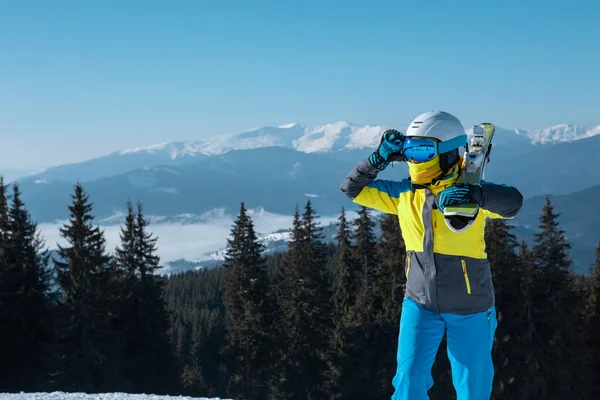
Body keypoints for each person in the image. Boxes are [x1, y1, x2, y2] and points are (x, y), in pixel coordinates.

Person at [340, 110, 523, 400]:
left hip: (470, 306)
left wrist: (477, 195)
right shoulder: (404, 193)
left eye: (424, 150)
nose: (415, 159)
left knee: (473, 389)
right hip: (420, 302)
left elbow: (513, 203)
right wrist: (377, 159)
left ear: (448, 152)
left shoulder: (470, 192)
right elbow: (352, 188)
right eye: (410, 150)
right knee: (408, 381)